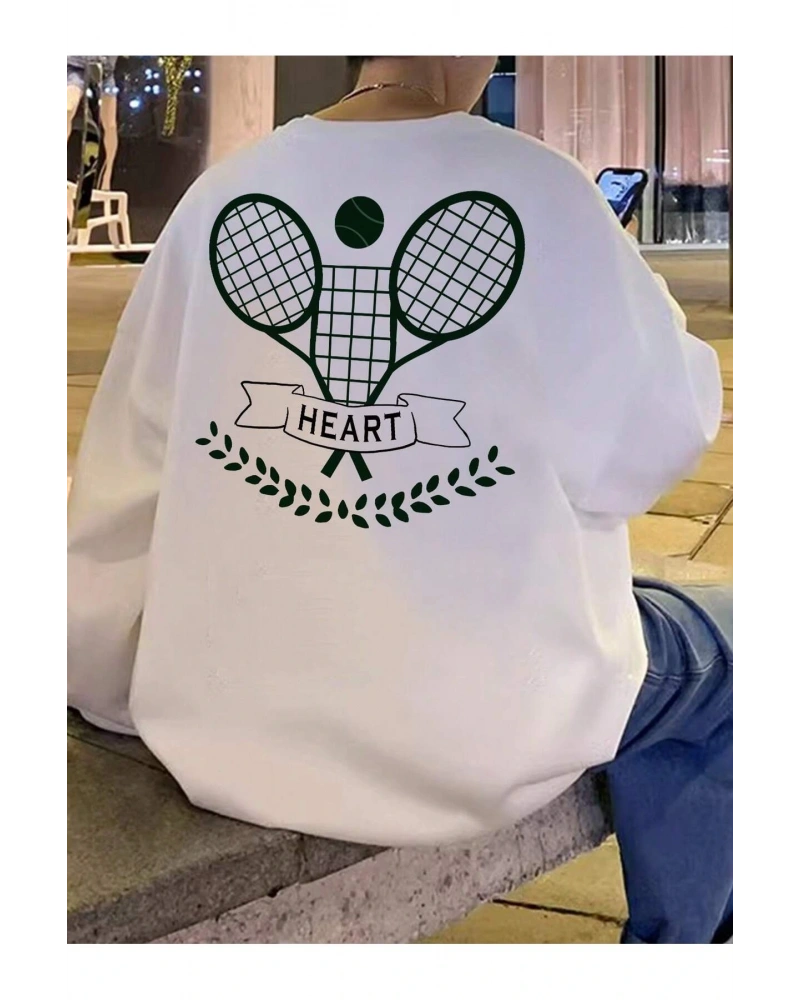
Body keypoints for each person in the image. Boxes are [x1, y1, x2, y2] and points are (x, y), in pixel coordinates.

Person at [65, 56, 734, 944]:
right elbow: (654, 443)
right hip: (487, 732)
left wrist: (107, 682)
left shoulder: (217, 196)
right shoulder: (544, 190)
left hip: (223, 721)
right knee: (738, 645)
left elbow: (127, 486)